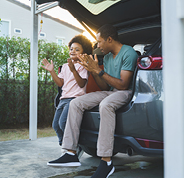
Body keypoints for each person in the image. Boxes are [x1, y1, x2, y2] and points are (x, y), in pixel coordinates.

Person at [47, 24, 138, 178]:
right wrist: (94, 71)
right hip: (111, 91)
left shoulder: (128, 52)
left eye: (99, 41)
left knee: (105, 105)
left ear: (109, 39)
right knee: (76, 103)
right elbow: (105, 85)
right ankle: (70, 153)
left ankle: (106, 161)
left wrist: (98, 70)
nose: (97, 45)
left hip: (125, 92)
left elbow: (122, 84)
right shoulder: (108, 57)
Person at [41, 34, 93, 147]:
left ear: (84, 53)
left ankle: (74, 146)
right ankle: (64, 144)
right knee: (55, 125)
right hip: (63, 99)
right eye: (71, 49)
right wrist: (52, 71)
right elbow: (60, 83)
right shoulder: (65, 66)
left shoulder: (83, 66)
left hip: (74, 99)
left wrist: (74, 70)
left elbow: (82, 83)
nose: (73, 51)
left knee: (63, 123)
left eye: (77, 49)